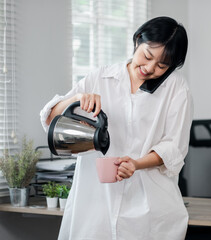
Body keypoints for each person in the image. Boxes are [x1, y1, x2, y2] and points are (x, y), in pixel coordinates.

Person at [40, 16, 193, 240]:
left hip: (150, 208)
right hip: (94, 203)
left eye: (162, 65)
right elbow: (50, 118)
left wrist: (136, 164)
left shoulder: (176, 87)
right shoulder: (100, 77)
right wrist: (77, 98)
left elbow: (174, 147)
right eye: (147, 56)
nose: (149, 68)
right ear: (138, 40)